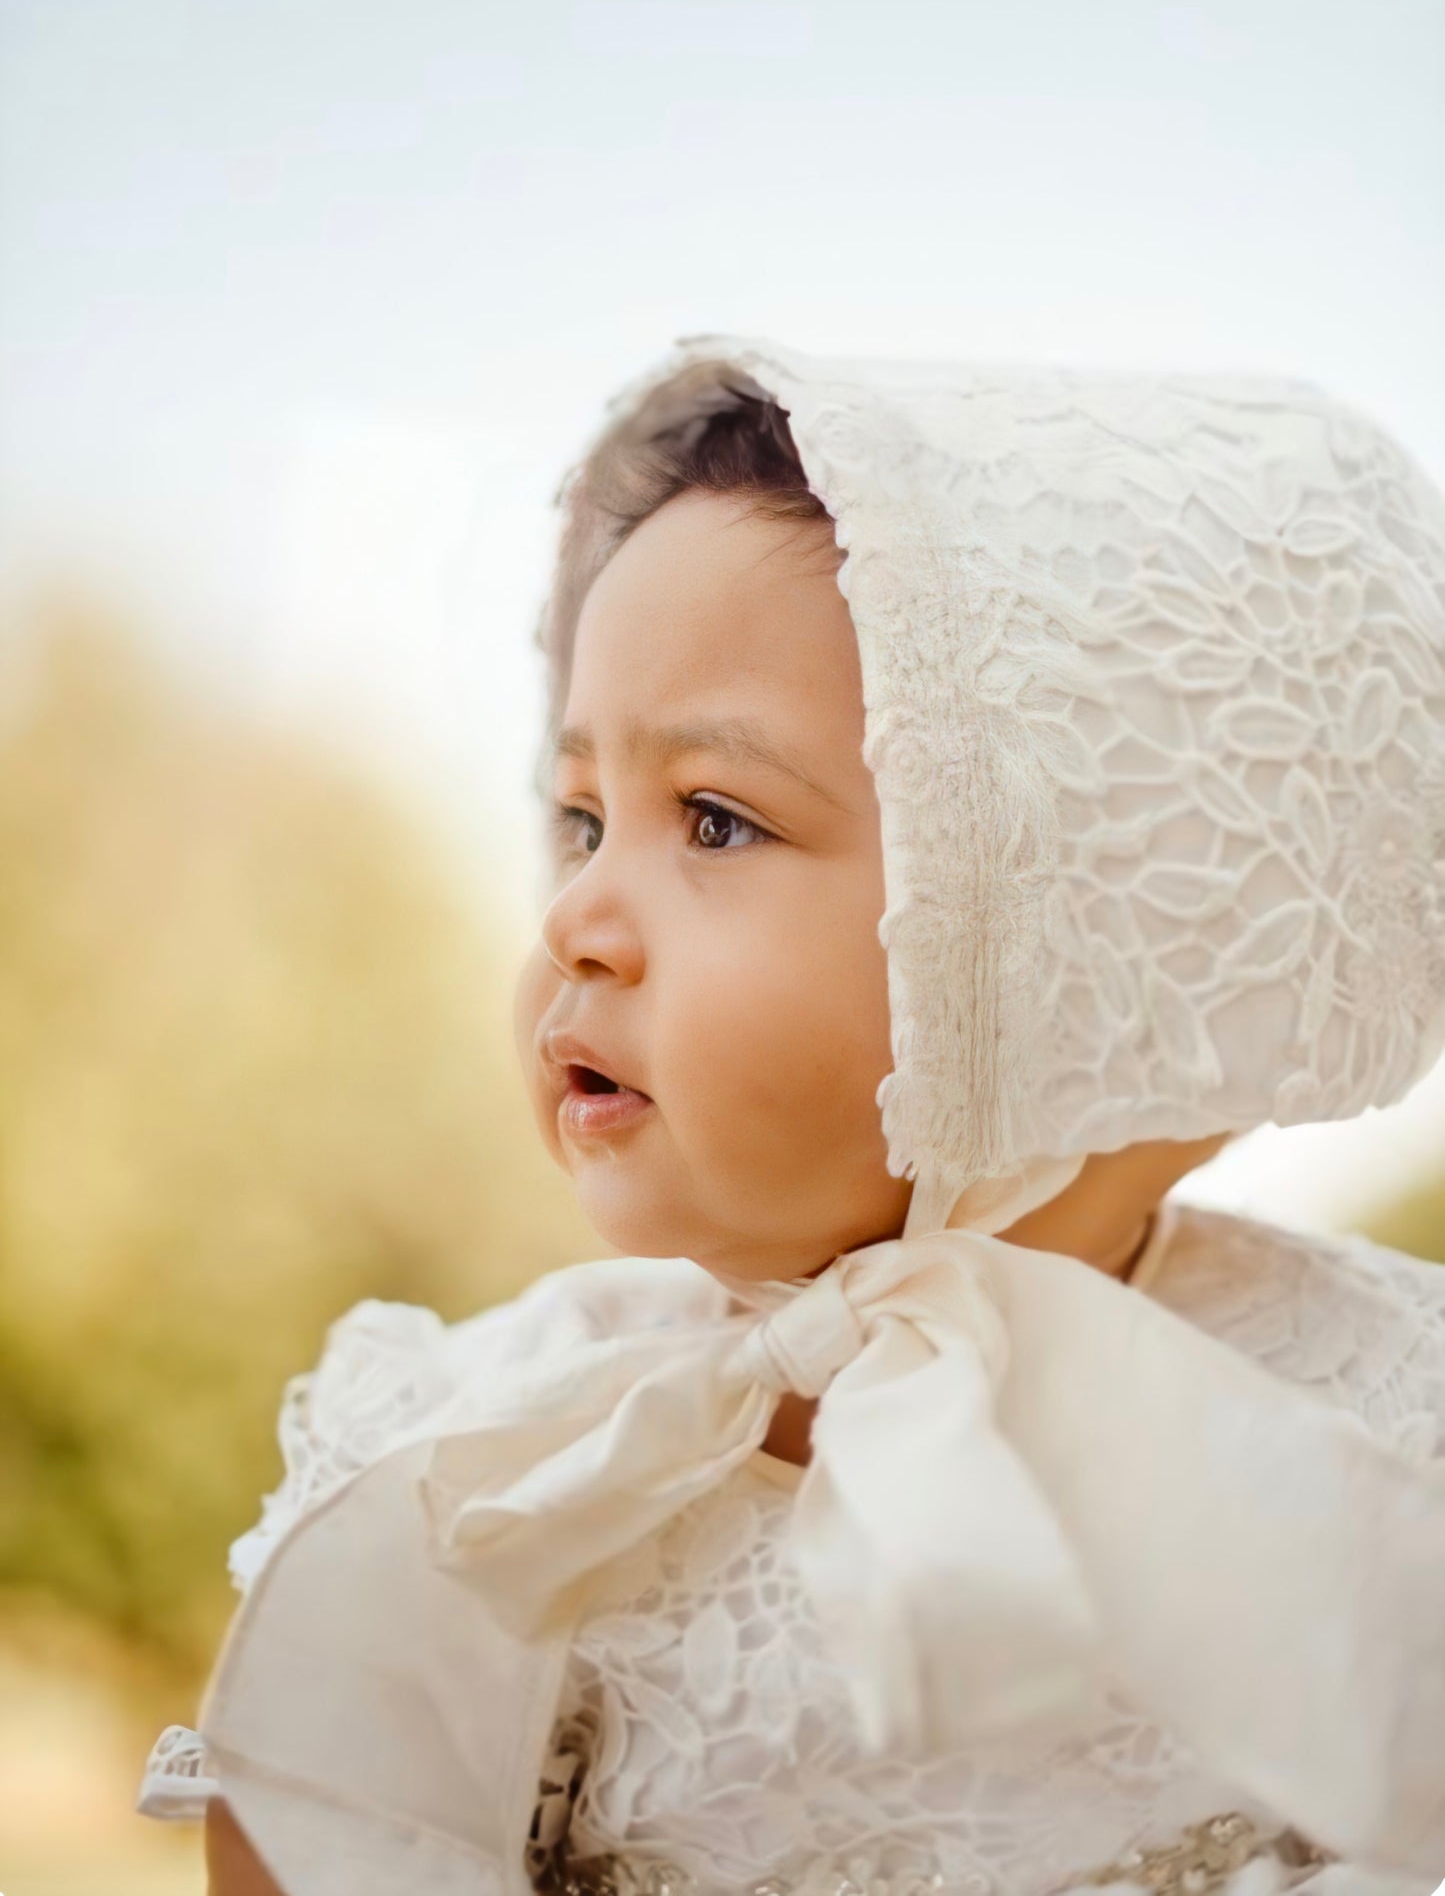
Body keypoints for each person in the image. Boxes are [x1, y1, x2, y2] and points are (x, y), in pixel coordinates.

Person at [138, 336, 1445, 1895]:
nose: (577, 918)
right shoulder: (495, 1468)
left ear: (1096, 944)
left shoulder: (1370, 1442)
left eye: (713, 818)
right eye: (579, 819)